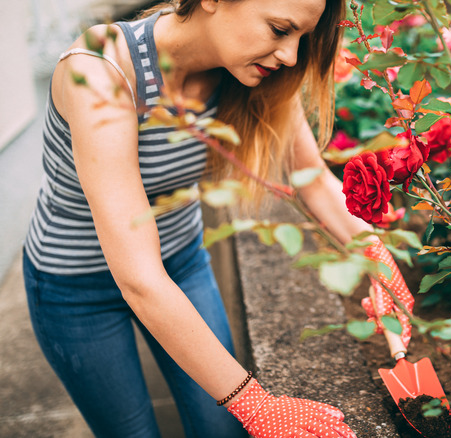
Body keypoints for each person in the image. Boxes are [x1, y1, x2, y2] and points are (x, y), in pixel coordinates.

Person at [21, 0, 415, 437]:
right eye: (280, 29)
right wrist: (258, 405)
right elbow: (139, 278)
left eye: (301, 37)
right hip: (75, 287)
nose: (291, 55)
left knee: (222, 428)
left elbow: (314, 181)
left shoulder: (250, 72)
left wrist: (380, 263)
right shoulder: (102, 71)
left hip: (181, 262)